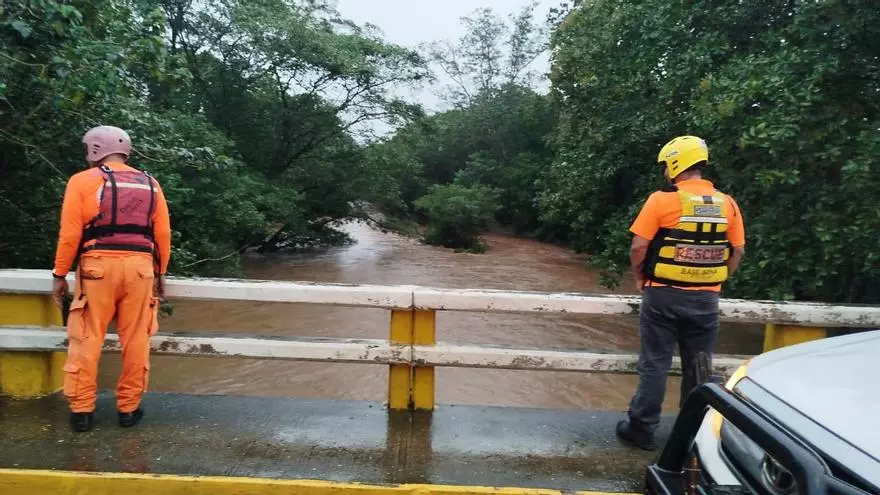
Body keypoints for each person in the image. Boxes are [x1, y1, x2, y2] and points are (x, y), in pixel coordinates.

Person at [616, 135, 745, 450]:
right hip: (706, 300)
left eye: (666, 166)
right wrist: (717, 279)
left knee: (655, 364)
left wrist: (639, 277)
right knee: (700, 366)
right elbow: (738, 251)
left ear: (676, 163)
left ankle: (642, 430)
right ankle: (693, 433)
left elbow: (638, 246)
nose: (665, 173)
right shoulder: (727, 203)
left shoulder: (661, 200)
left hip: (662, 295)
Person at [51, 125, 171, 432]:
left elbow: (70, 235)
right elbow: (162, 235)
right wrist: (161, 274)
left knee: (87, 338)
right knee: (136, 340)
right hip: (141, 269)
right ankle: (128, 410)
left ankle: (82, 412)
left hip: (97, 269)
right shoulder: (150, 183)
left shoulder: (81, 181)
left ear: (93, 149)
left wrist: (60, 274)